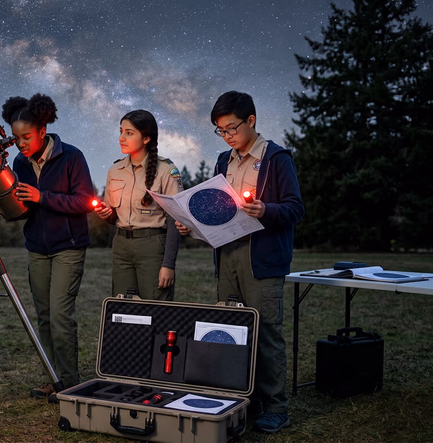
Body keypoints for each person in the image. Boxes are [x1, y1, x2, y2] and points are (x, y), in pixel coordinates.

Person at [175, 91, 304, 434]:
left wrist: (267, 210)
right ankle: (247, 401)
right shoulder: (223, 161)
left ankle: (276, 407)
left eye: (232, 128)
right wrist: (192, 223)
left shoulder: (277, 158)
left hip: (260, 258)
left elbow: (295, 208)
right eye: (220, 130)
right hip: (227, 255)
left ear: (251, 120)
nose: (228, 135)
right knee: (233, 331)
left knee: (266, 333)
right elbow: (217, 211)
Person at [2, 93, 95, 403]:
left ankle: (70, 383)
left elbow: (84, 202)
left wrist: (43, 197)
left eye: (26, 136)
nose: (20, 143)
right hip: (37, 247)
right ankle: (51, 378)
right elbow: (25, 208)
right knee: (43, 315)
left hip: (68, 246)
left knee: (59, 315)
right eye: (16, 138)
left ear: (42, 130)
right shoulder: (19, 162)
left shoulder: (71, 157)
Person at [94, 109, 183, 300]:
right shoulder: (115, 170)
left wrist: (168, 265)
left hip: (152, 246)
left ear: (146, 138)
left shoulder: (167, 170)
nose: (121, 138)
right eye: (121, 131)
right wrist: (106, 214)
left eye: (129, 133)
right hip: (121, 246)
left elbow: (175, 220)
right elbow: (114, 217)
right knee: (122, 307)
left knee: (155, 308)